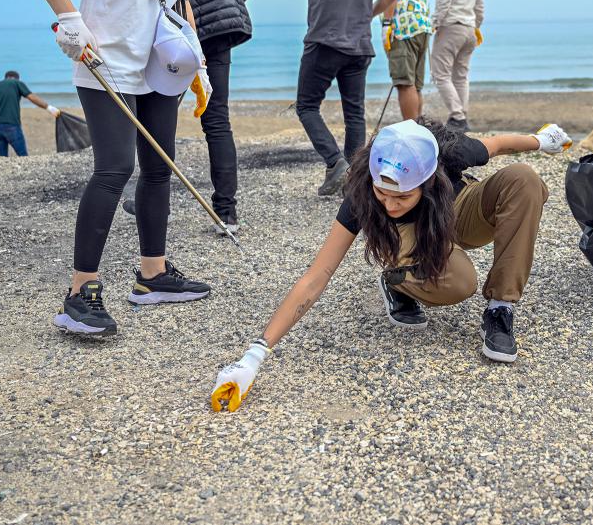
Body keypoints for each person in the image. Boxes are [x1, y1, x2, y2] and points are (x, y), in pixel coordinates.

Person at [209, 118, 573, 411]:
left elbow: (495, 145)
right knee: (460, 281)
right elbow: (317, 275)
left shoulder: (446, 151)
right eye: (383, 194)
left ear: (427, 180)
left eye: (401, 196)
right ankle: (398, 281)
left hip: (456, 211)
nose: (389, 204)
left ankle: (500, 308)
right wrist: (253, 358)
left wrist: (541, 140)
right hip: (410, 238)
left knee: (524, 179)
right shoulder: (363, 195)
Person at [27, 0, 211, 338]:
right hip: (105, 63)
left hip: (160, 65)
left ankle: (152, 275)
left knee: (161, 167)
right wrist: (69, 21)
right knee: (114, 169)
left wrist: (195, 59)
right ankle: (79, 292)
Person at [280, 0, 397, 196]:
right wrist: (368, 14)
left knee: (306, 105)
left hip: (325, 39)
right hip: (360, 43)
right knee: (354, 112)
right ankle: (355, 183)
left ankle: (335, 163)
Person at [167, 0, 257, 235]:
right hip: (219, 32)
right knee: (217, 121)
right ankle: (226, 213)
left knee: (159, 115)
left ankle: (151, 200)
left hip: (174, 31)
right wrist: (225, 6)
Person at [427, 0, 484, 132]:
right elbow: (479, 5)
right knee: (461, 75)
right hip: (469, 28)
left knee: (440, 73)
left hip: (451, 26)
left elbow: (444, 1)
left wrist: (434, 23)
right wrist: (476, 25)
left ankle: (457, 116)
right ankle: (462, 115)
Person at [374, 0, 434, 121]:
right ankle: (417, 127)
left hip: (402, 29)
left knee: (404, 84)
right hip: (421, 27)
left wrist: (386, 24)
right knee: (415, 86)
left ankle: (411, 130)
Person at [0, 71, 61, 157]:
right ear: (16, 78)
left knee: (2, 157)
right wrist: (48, 107)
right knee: (23, 156)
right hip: (11, 126)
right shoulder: (16, 83)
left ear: (5, 77)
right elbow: (31, 97)